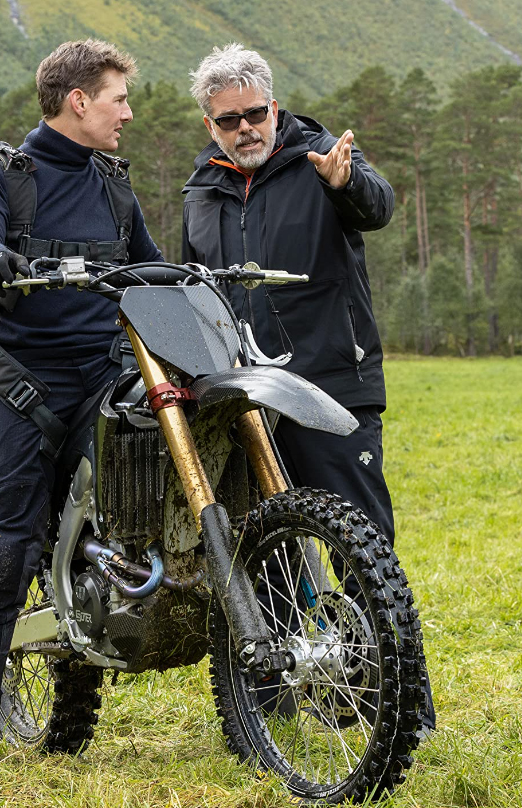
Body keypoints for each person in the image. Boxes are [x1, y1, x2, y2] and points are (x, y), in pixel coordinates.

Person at [181, 43, 435, 733]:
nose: (245, 128)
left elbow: (376, 207)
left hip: (330, 386)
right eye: (228, 119)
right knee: (260, 549)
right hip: (241, 400)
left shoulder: (322, 155)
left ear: (274, 104)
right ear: (210, 124)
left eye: (254, 113)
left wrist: (344, 183)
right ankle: (277, 705)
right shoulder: (201, 188)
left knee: (362, 547)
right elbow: (189, 285)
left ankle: (401, 705)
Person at [0, 39, 163, 763]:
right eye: (119, 98)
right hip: (25, 386)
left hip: (106, 376)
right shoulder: (3, 175)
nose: (128, 112)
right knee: (5, 544)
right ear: (79, 101)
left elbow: (152, 268)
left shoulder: (113, 184)